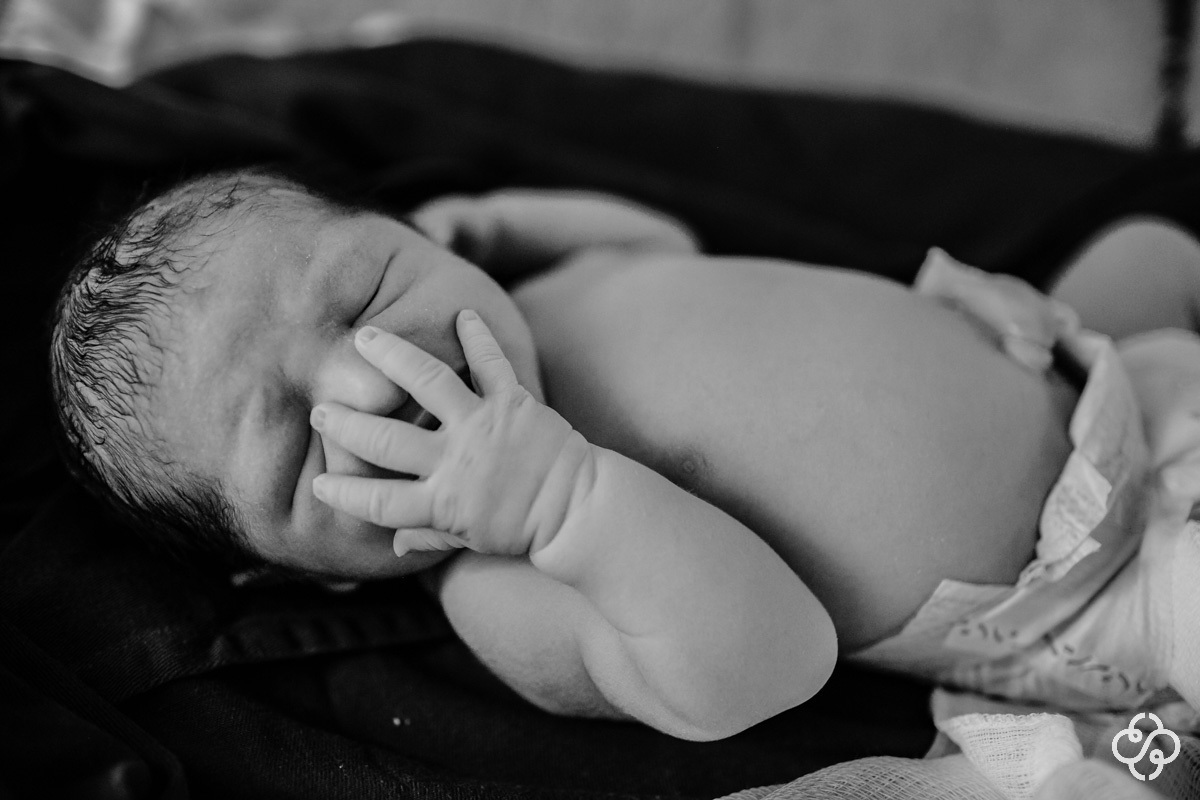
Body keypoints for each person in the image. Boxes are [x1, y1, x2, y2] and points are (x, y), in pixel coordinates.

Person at [47, 168, 1200, 742]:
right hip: (1093, 602)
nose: (374, 373)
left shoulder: (545, 292)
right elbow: (768, 663)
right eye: (303, 444)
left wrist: (497, 222)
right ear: (313, 576)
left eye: (364, 287)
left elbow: (665, 242)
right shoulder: (505, 587)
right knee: (1164, 718)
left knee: (1153, 245)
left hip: (1089, 370)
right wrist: (561, 502)